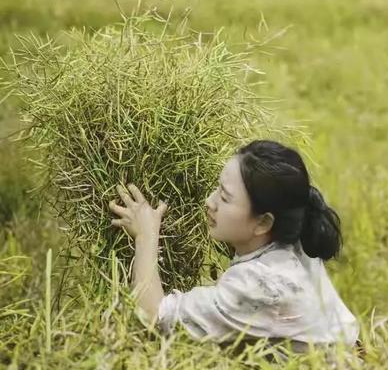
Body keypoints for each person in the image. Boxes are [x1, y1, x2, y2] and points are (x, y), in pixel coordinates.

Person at [109, 140, 359, 350]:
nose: (210, 202)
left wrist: (146, 235)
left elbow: (152, 317)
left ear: (263, 222)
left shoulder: (257, 285)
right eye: (218, 188)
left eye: (225, 197)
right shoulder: (292, 237)